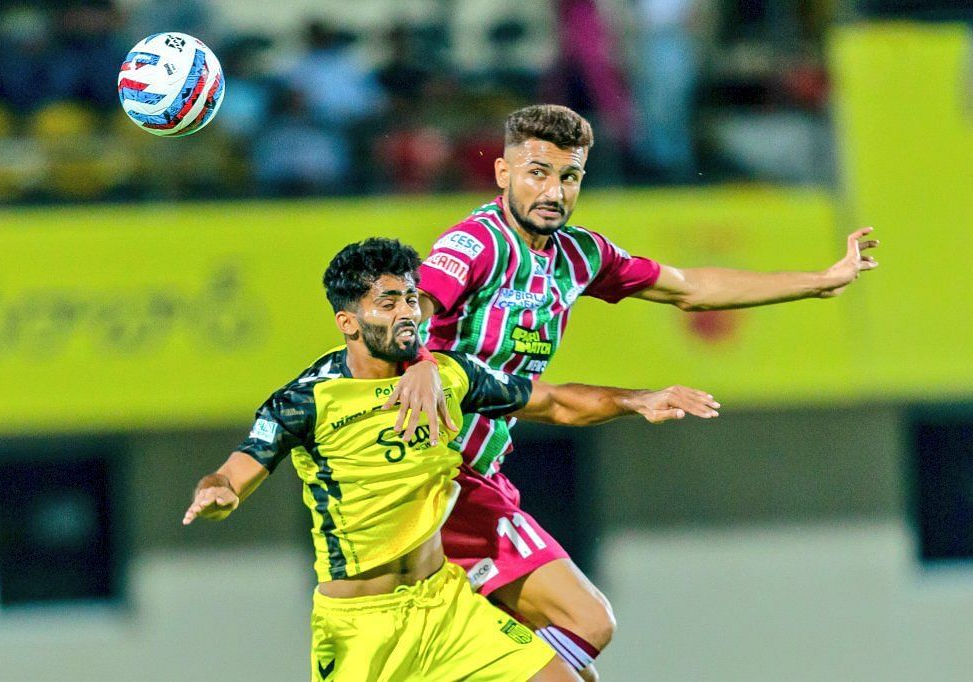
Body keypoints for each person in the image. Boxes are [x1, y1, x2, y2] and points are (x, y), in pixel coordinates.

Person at [384, 104, 880, 680]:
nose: (554, 191)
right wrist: (417, 360)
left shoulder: (580, 255)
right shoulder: (478, 241)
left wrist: (818, 282)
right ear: (502, 173)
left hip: (483, 473)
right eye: (538, 172)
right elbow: (413, 300)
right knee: (586, 625)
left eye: (569, 177)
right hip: (431, 475)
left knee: (577, 660)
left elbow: (689, 287)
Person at [183, 237, 719, 682]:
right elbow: (237, 470)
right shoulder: (306, 399)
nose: (407, 313)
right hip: (361, 629)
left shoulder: (450, 375)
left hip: (444, 605)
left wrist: (636, 400)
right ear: (349, 322)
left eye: (412, 299)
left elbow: (552, 402)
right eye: (388, 303)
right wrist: (217, 493)